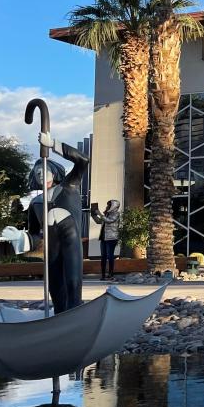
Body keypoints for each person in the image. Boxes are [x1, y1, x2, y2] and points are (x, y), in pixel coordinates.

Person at [26, 134, 90, 313]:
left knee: (72, 282)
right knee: (55, 288)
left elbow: (83, 160)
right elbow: (34, 233)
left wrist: (53, 144)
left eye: (44, 171)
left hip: (71, 245)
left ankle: (75, 317)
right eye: (37, 173)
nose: (41, 175)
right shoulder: (36, 203)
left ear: (53, 172)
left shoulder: (69, 187)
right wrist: (20, 238)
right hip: (51, 250)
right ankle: (58, 319)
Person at [91, 199, 121, 280]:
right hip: (103, 238)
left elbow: (109, 221)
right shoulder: (106, 214)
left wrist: (100, 213)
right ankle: (103, 275)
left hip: (111, 238)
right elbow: (99, 221)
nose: (107, 206)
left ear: (113, 206)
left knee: (110, 256)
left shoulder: (116, 214)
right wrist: (93, 215)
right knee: (103, 256)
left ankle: (111, 274)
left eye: (109, 205)